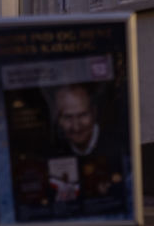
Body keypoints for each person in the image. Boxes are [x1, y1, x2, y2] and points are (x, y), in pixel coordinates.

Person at [44, 84, 129, 216]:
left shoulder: (120, 148)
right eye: (67, 117)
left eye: (83, 115)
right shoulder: (53, 154)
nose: (76, 126)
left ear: (94, 113)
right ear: (58, 120)